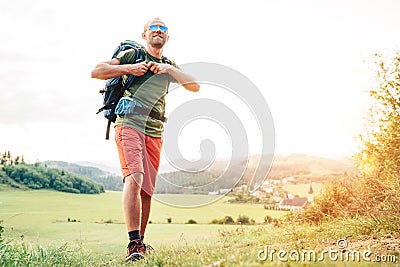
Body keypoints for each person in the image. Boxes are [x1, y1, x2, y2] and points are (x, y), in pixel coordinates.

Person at [91, 18, 199, 261]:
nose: (159, 31)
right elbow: (96, 71)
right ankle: (133, 244)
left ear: (167, 38)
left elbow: (195, 86)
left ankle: (140, 244)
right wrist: (130, 69)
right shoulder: (133, 55)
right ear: (145, 34)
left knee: (147, 190)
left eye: (163, 29)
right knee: (135, 177)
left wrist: (169, 70)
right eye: (154, 28)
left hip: (155, 129)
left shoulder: (170, 64)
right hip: (129, 123)